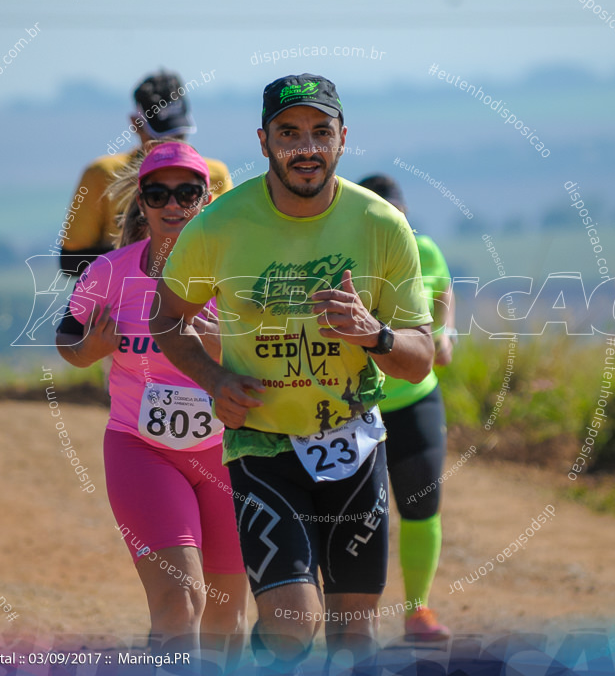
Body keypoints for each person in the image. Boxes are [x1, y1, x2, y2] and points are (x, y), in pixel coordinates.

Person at [151, 73, 434, 674]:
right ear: (263, 141)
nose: (306, 147)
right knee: (291, 629)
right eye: (289, 133)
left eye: (320, 132)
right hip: (263, 442)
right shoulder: (218, 225)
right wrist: (215, 380)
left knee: (354, 639)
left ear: (342, 138)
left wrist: (374, 334)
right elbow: (167, 320)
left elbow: (421, 354)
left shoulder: (383, 226)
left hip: (353, 444)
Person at [55, 140, 247, 671]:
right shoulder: (110, 273)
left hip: (230, 453)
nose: (172, 204)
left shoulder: (236, 276)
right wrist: (90, 350)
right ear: (140, 201)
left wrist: (223, 350)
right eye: (158, 192)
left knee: (228, 619)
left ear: (206, 199)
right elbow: (67, 340)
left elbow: (275, 366)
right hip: (142, 449)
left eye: (187, 192)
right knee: (179, 604)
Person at [357, 174, 456, 642]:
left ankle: (418, 611)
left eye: (400, 218)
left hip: (415, 400)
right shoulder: (347, 260)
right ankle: (342, 617)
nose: (395, 226)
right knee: (353, 517)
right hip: (357, 407)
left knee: (421, 505)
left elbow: (443, 289)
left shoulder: (424, 250)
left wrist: (446, 331)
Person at [59, 69, 234, 276]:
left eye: (179, 134)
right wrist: (143, 254)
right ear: (136, 124)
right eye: (156, 196)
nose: (172, 145)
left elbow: (229, 247)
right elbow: (70, 261)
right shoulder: (102, 174)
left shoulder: (215, 174)